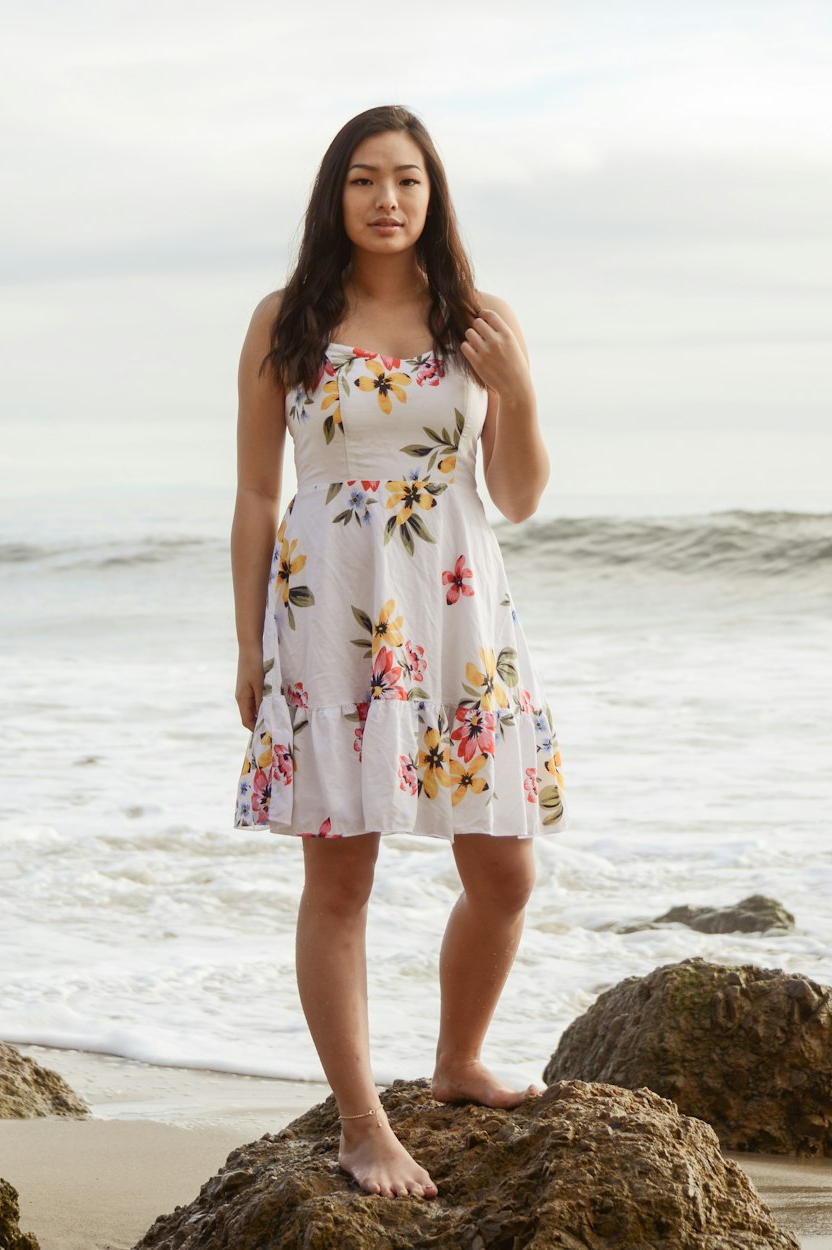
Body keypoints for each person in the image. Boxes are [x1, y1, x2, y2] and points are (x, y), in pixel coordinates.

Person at [231, 105, 567, 1201]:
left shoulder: (479, 320)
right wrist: (247, 642)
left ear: (433, 196)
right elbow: (252, 492)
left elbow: (513, 495)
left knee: (506, 864)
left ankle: (459, 1059)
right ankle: (363, 1121)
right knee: (342, 869)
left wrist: (514, 386)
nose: (387, 199)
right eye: (366, 179)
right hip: (329, 608)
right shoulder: (286, 321)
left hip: (459, 606)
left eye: (409, 180)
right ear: (337, 195)